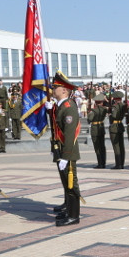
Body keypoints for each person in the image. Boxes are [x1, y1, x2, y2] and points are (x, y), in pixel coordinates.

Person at [50, 72, 81, 226]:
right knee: (65, 182)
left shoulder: (68, 107)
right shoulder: (61, 106)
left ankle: (74, 215)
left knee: (71, 183)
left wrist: (66, 156)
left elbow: (69, 134)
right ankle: (69, 211)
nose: (53, 89)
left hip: (67, 151)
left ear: (64, 90)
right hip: (61, 150)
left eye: (55, 87)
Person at [108, 91, 126, 169]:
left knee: (116, 146)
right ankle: (121, 163)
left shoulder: (115, 106)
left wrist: (110, 114)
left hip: (115, 126)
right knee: (121, 146)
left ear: (115, 99)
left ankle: (118, 164)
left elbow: (114, 116)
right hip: (120, 125)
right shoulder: (123, 105)